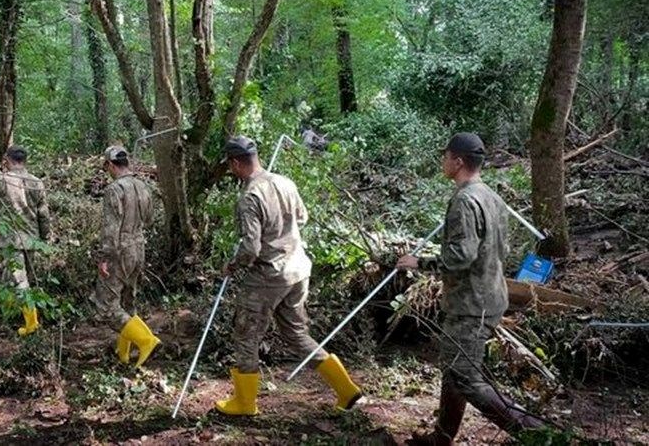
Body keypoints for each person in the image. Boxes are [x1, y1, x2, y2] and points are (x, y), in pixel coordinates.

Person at [397, 133, 543, 445]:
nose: (443, 161)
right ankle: (441, 438)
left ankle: (539, 435)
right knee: (454, 372)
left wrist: (418, 263)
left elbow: (460, 258)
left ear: (458, 161)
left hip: (471, 304)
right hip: (488, 296)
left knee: (464, 378)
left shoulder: (465, 200)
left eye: (446, 155)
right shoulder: (491, 196)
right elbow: (501, 249)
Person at [215, 135, 362, 416]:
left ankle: (245, 404)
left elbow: (251, 247)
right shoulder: (285, 182)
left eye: (230, 166)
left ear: (235, 163)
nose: (231, 170)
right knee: (296, 334)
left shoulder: (250, 197)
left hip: (268, 276)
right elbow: (302, 218)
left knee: (246, 336)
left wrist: (233, 265)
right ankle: (346, 388)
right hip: (297, 270)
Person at [92, 145, 159, 368]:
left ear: (111, 165)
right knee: (127, 302)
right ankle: (124, 353)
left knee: (107, 306)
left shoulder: (115, 189)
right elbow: (150, 220)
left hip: (119, 252)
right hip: (139, 248)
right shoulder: (143, 186)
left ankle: (145, 340)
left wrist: (104, 258)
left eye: (107, 166)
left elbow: (111, 228)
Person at [0, 145, 51, 336]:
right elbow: (44, 214)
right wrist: (44, 237)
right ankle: (14, 316)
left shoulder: (2, 180)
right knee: (23, 280)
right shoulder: (36, 182)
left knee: (19, 282)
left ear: (7, 159)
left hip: (10, 239)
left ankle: (32, 325)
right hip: (31, 238)